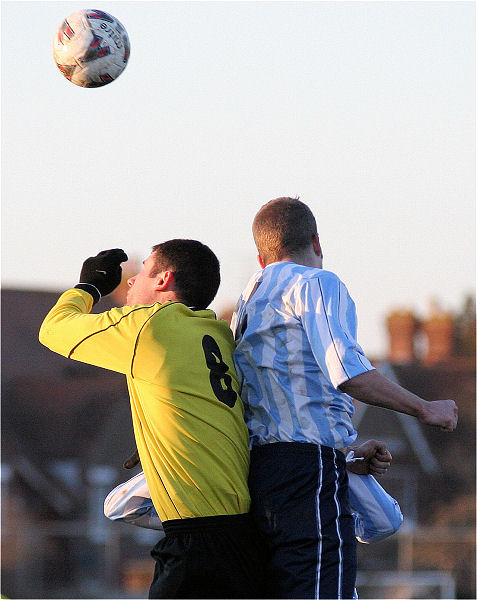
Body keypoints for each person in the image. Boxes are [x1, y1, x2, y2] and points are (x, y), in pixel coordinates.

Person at [230, 197, 458, 599]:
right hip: (307, 467)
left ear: (261, 258)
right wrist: (425, 408)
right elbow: (346, 370)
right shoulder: (316, 283)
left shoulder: (249, 300)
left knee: (379, 522)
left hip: (262, 468)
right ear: (317, 242)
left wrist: (345, 456)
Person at [39, 241, 266, 599]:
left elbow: (54, 329)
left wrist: (89, 287)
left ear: (163, 279)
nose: (130, 283)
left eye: (142, 271)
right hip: (244, 536)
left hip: (196, 539)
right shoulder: (219, 334)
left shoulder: (148, 326)